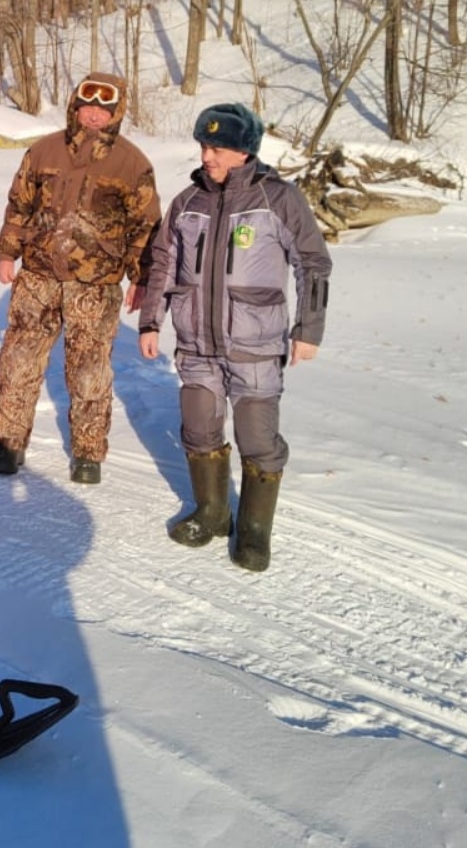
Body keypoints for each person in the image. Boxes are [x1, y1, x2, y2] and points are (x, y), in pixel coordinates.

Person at [136, 103, 332, 572]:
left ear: (244, 151)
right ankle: (212, 512)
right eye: (204, 146)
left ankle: (254, 531)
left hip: (255, 344)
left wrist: (308, 329)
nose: (207, 156)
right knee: (199, 428)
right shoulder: (189, 201)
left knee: (257, 438)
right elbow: (161, 263)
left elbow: (313, 264)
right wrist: (150, 321)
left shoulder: (278, 199)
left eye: (217, 148)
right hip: (196, 341)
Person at [0, 72, 160, 485]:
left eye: (104, 108)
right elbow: (19, 204)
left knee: (89, 370)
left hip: (95, 286)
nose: (94, 115)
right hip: (38, 277)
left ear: (116, 112)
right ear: (74, 106)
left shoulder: (131, 162)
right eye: (88, 106)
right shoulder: (43, 151)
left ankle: (87, 451)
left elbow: (146, 226)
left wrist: (142, 277)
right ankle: (10, 443)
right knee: (19, 362)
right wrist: (8, 251)